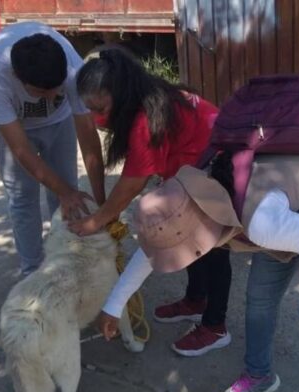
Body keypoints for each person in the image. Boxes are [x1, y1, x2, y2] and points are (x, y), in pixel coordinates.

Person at [97, 154, 299, 392]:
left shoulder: (260, 224)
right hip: (287, 211)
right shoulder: (192, 198)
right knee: (259, 301)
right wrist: (114, 305)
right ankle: (259, 376)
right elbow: (153, 247)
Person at [66, 49, 234, 356]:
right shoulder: (149, 96)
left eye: (100, 108)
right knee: (192, 240)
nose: (95, 118)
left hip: (218, 170)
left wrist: (97, 220)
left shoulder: (144, 120)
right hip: (197, 165)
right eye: (89, 109)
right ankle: (196, 301)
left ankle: (215, 326)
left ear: (121, 94)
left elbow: (132, 184)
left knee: (213, 248)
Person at [0, 22, 106, 275]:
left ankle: (66, 261)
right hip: (16, 127)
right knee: (22, 198)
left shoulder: (72, 70)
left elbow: (89, 138)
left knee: (68, 192)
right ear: (17, 77)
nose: (50, 97)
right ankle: (32, 271)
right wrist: (65, 192)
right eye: (40, 92)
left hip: (60, 124)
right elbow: (22, 150)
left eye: (55, 90)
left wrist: (102, 205)